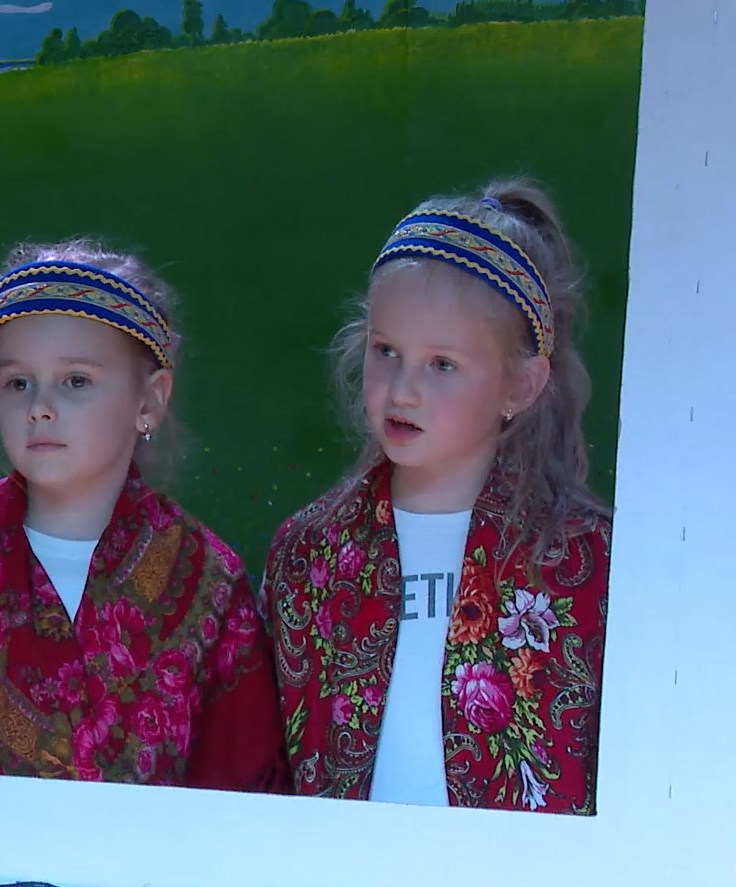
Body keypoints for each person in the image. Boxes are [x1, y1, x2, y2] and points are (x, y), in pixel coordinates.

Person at [0, 241, 287, 792]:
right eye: (18, 383)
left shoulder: (204, 581)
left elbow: (245, 793)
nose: (39, 407)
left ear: (150, 401)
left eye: (75, 381)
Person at [261, 181, 613, 813]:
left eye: (441, 364)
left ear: (521, 386)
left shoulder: (590, 562)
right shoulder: (308, 553)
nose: (403, 389)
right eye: (386, 351)